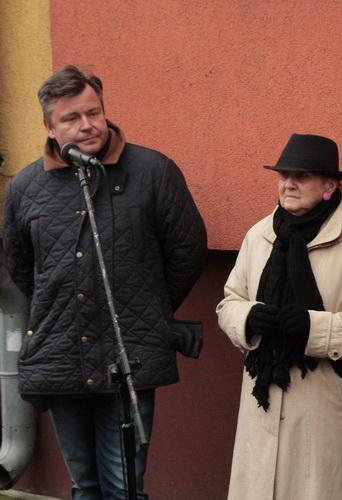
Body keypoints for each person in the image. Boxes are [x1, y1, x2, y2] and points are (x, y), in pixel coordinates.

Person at [3, 65, 207, 499]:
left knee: (123, 486)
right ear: (50, 127)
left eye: (93, 112)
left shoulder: (151, 171)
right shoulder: (25, 187)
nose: (87, 125)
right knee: (84, 486)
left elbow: (187, 250)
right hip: (60, 355)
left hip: (127, 355)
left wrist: (147, 306)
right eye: (71, 118)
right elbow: (23, 266)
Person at [216, 133, 342, 500]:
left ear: (329, 186)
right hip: (264, 399)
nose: (288, 183)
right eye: (283, 175)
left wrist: (313, 327)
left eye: (301, 176)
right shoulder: (259, 235)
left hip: (327, 406)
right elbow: (229, 302)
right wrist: (249, 318)